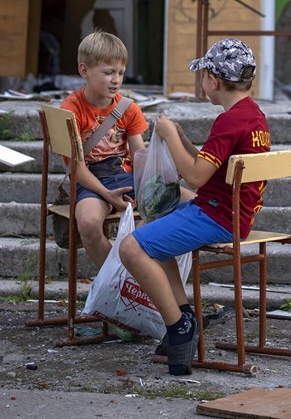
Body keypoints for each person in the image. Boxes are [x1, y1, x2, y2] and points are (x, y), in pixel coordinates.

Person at [119, 38, 269, 375]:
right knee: (154, 222)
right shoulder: (252, 115)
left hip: (218, 215)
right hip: (231, 210)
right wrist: (184, 139)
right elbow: (209, 162)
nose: (202, 81)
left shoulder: (228, 121)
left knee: (131, 248)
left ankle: (179, 327)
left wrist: (170, 137)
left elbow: (195, 177)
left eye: (202, 75)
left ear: (213, 81)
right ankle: (184, 315)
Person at [61, 31, 147, 268]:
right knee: (88, 225)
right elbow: (76, 168)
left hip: (124, 175)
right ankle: (119, 280)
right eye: (108, 73)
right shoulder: (70, 111)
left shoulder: (128, 108)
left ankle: (139, 270)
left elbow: (139, 157)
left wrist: (160, 172)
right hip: (88, 179)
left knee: (173, 203)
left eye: (120, 72)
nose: (116, 80)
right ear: (84, 71)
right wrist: (108, 195)